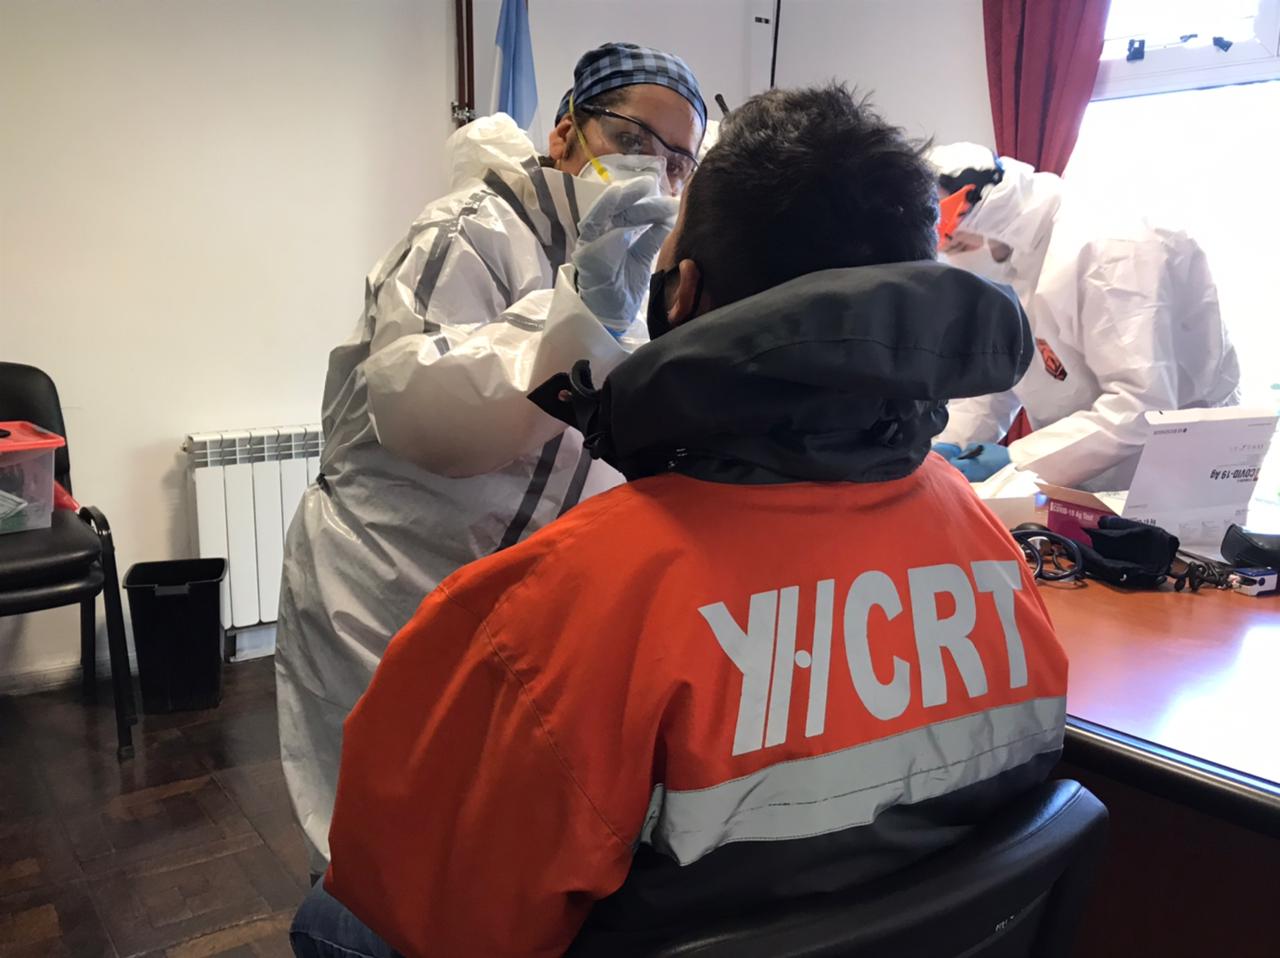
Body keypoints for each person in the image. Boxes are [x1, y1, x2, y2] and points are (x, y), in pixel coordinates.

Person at [290, 84, 1069, 958]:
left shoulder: (564, 605)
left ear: (681, 292)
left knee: (332, 916)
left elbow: (441, 914)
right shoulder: (989, 549)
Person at [275, 41, 707, 875]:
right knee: (387, 829)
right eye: (632, 139)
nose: (655, 171)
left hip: (513, 585)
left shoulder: (634, 260)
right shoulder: (470, 231)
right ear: (565, 134)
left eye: (679, 161)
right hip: (393, 571)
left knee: (482, 825)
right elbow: (421, 408)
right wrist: (577, 315)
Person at [928, 142, 1240, 488]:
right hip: (1084, 464)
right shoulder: (1013, 262)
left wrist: (1018, 460)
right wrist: (945, 446)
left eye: (959, 245)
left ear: (992, 214)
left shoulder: (1109, 247)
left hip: (1178, 464)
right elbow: (998, 374)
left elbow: (1142, 403)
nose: (956, 259)